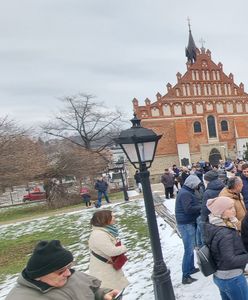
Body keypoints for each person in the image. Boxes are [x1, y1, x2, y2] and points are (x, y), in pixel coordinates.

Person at [6, 240, 119, 300]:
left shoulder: (71, 277)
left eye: (69, 266)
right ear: (40, 275)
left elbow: (91, 291)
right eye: (61, 271)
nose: (68, 273)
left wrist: (103, 295)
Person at [205, 196, 248, 300]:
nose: (233, 210)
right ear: (220, 212)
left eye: (233, 207)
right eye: (229, 208)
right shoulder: (225, 233)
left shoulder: (214, 225)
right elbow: (230, 260)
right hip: (232, 278)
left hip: (220, 276)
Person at [88, 210, 129, 290]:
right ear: (104, 219)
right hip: (104, 273)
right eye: (112, 216)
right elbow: (111, 251)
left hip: (108, 269)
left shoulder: (104, 231)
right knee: (111, 293)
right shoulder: (99, 235)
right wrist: (123, 248)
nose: (114, 218)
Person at [175, 174, 201, 284]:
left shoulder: (186, 191)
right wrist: (201, 206)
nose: (197, 186)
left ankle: (190, 268)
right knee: (188, 250)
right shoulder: (185, 193)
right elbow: (188, 209)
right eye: (196, 184)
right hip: (186, 224)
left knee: (190, 248)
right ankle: (185, 276)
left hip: (187, 222)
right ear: (192, 183)